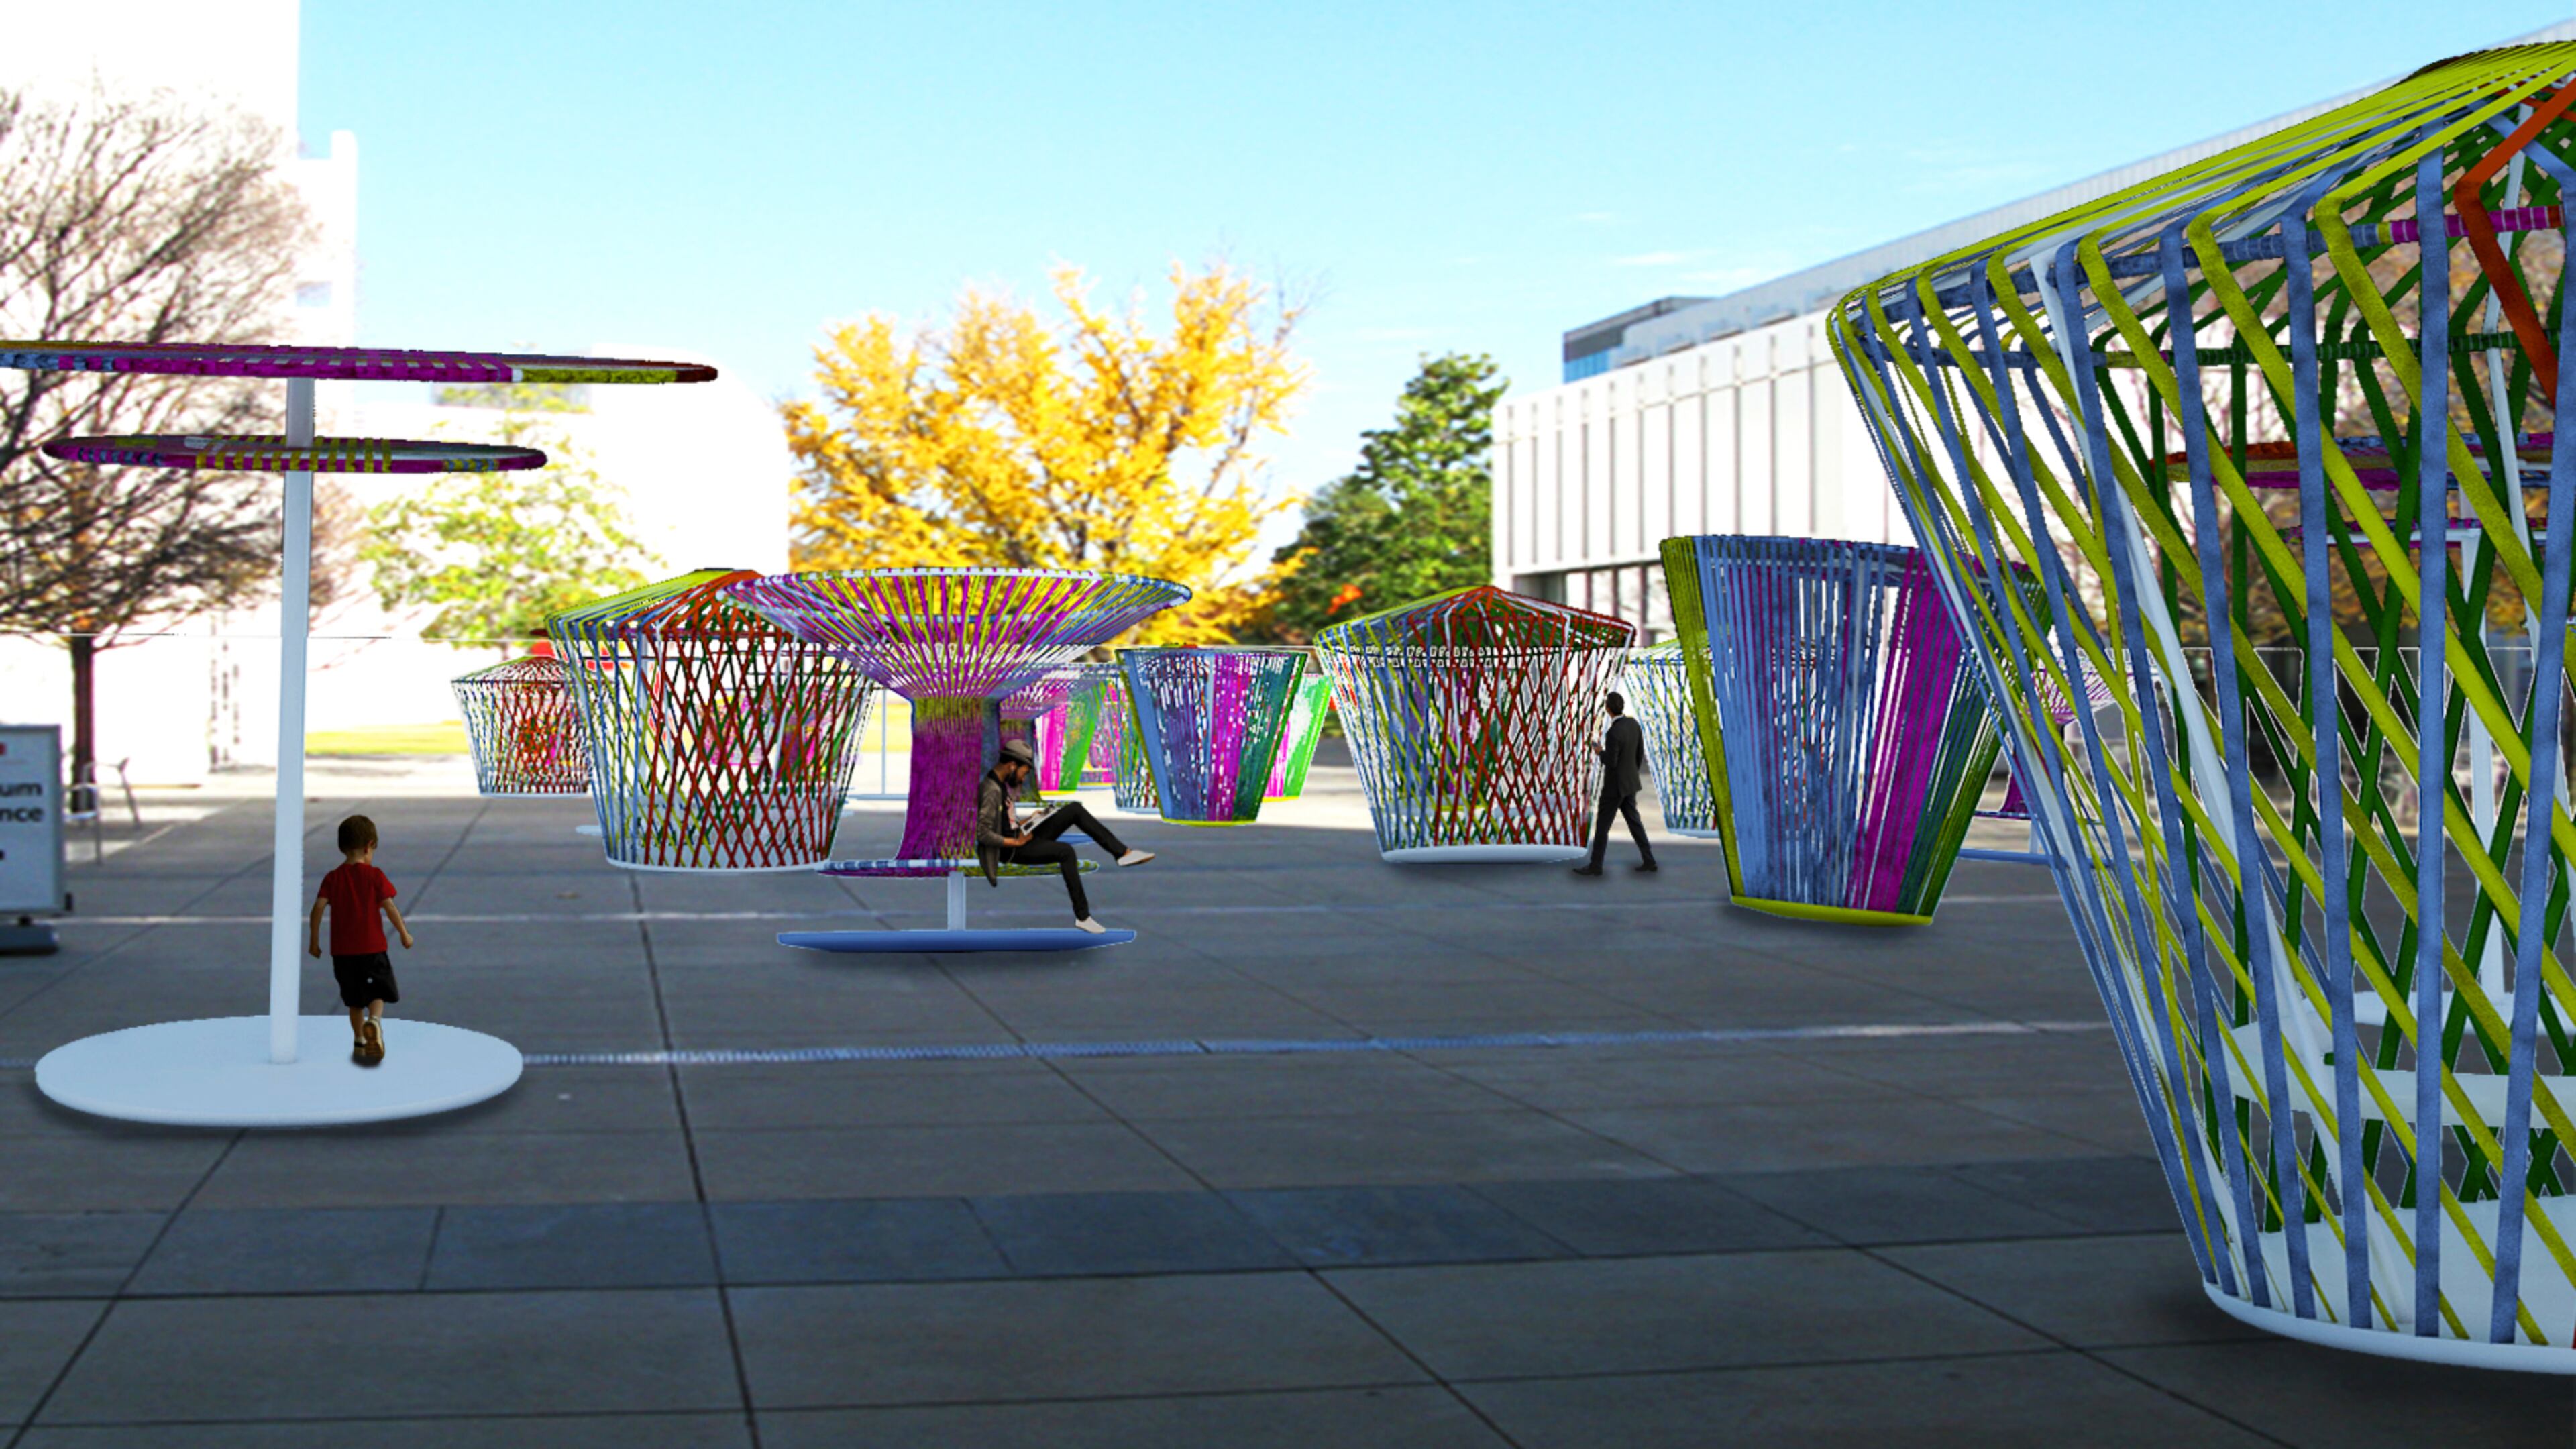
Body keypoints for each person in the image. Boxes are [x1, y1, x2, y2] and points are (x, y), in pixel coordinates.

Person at [977, 739, 1153, 932]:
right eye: (1023, 773)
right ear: (1012, 765)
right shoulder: (991, 790)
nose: (1022, 779)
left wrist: (1030, 822)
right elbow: (983, 833)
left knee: (1074, 810)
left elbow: (1005, 824)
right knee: (1066, 852)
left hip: (1020, 837)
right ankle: (1083, 917)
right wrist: (1016, 841)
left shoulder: (1000, 784)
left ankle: (1123, 853)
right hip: (1011, 850)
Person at [307, 814, 413, 1065]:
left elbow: (318, 909)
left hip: (342, 953)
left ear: (342, 847)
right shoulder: (375, 876)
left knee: (354, 1000)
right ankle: (374, 1022)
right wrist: (404, 934)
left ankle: (359, 1042)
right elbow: (390, 908)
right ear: (370, 846)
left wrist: (314, 941)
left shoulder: (332, 878)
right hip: (372, 948)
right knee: (378, 993)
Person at [1574, 691, 1657, 877]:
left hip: (1614, 788)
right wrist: (1631, 774)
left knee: (1602, 827)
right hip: (1630, 784)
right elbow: (1638, 754)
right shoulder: (1634, 725)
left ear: (1608, 709)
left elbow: (1611, 762)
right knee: (1635, 824)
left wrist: (1599, 752)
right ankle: (1649, 861)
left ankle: (1596, 866)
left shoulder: (1614, 732)